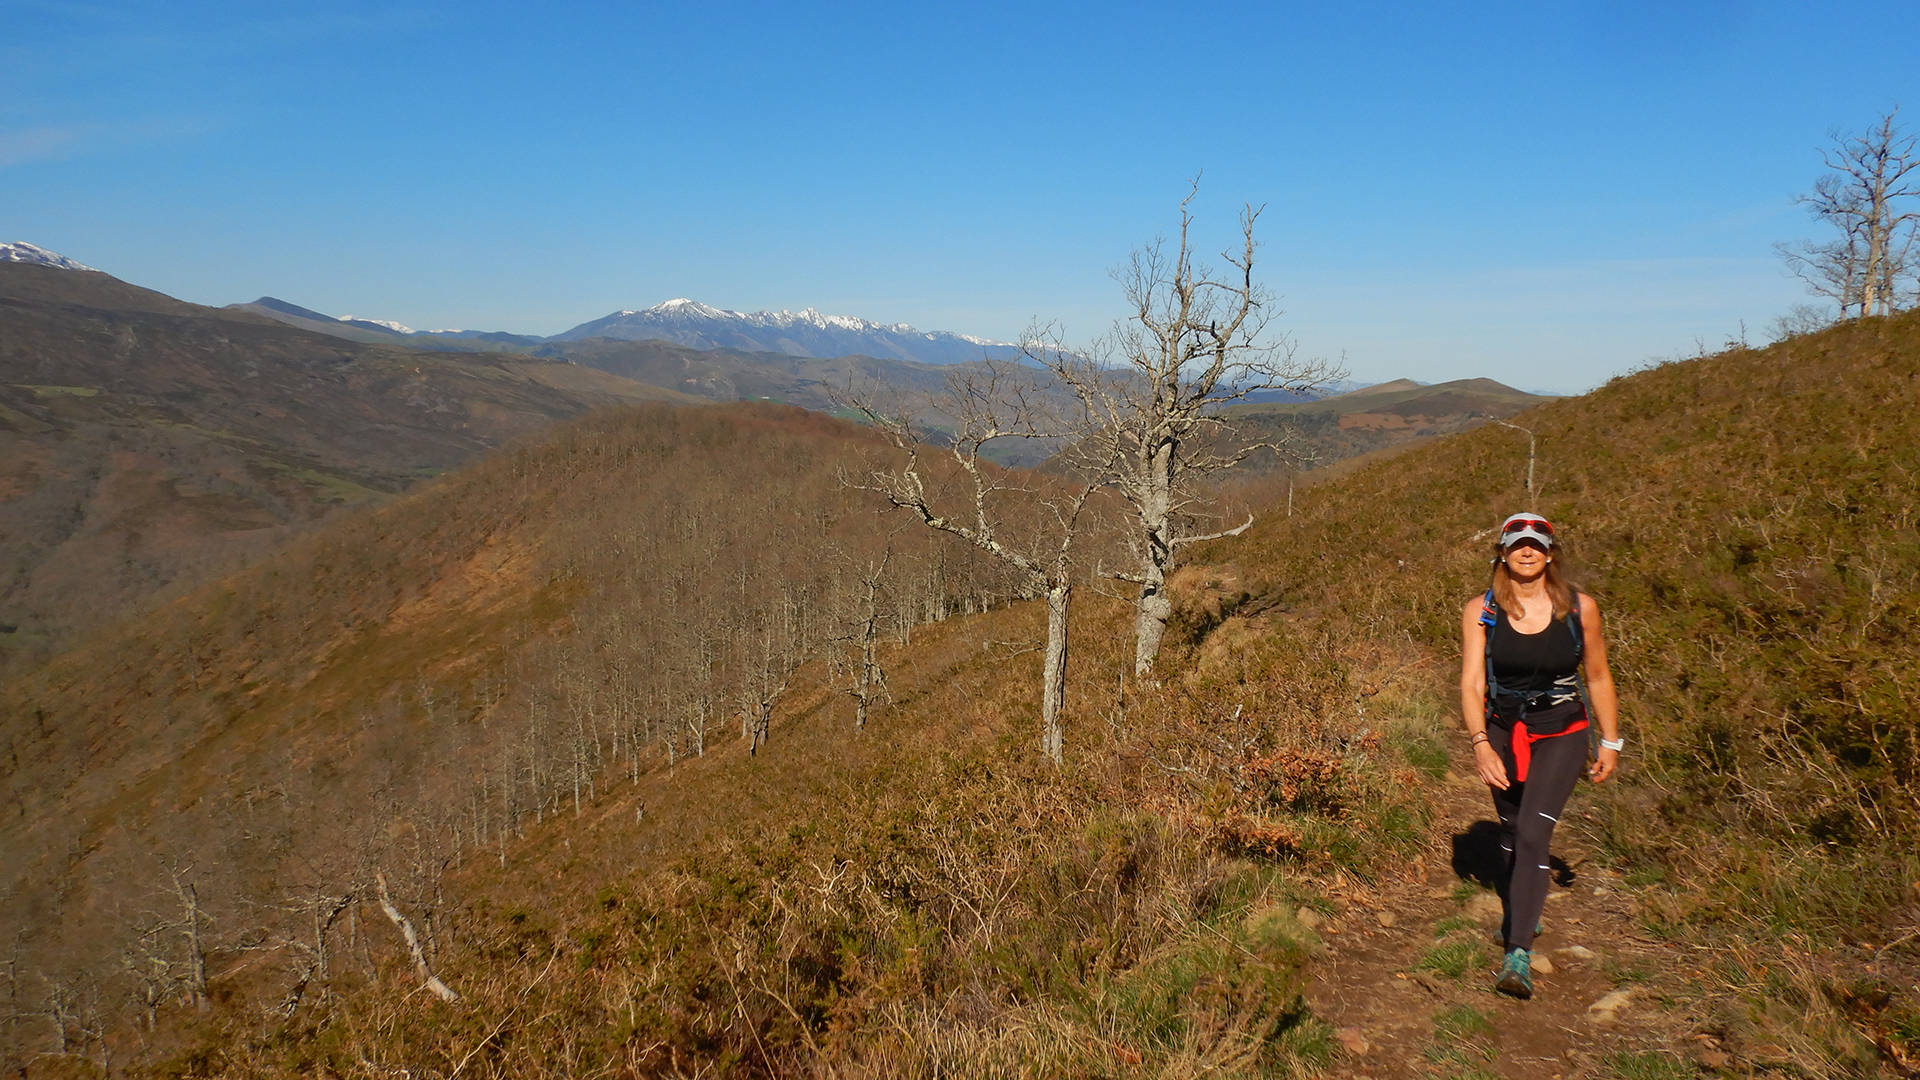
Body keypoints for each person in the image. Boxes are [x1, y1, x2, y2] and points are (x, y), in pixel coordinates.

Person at [1458, 512, 1623, 999]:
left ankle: (1518, 950)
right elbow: (1470, 683)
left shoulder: (1579, 609)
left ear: (1550, 553)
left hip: (1562, 730)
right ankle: (1520, 912)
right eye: (1517, 544)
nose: (1526, 552)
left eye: (1536, 544)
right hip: (1504, 730)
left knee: (1533, 830)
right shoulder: (1482, 609)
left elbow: (1597, 676)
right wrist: (1480, 744)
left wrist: (1610, 741)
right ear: (1503, 553)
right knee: (1510, 830)